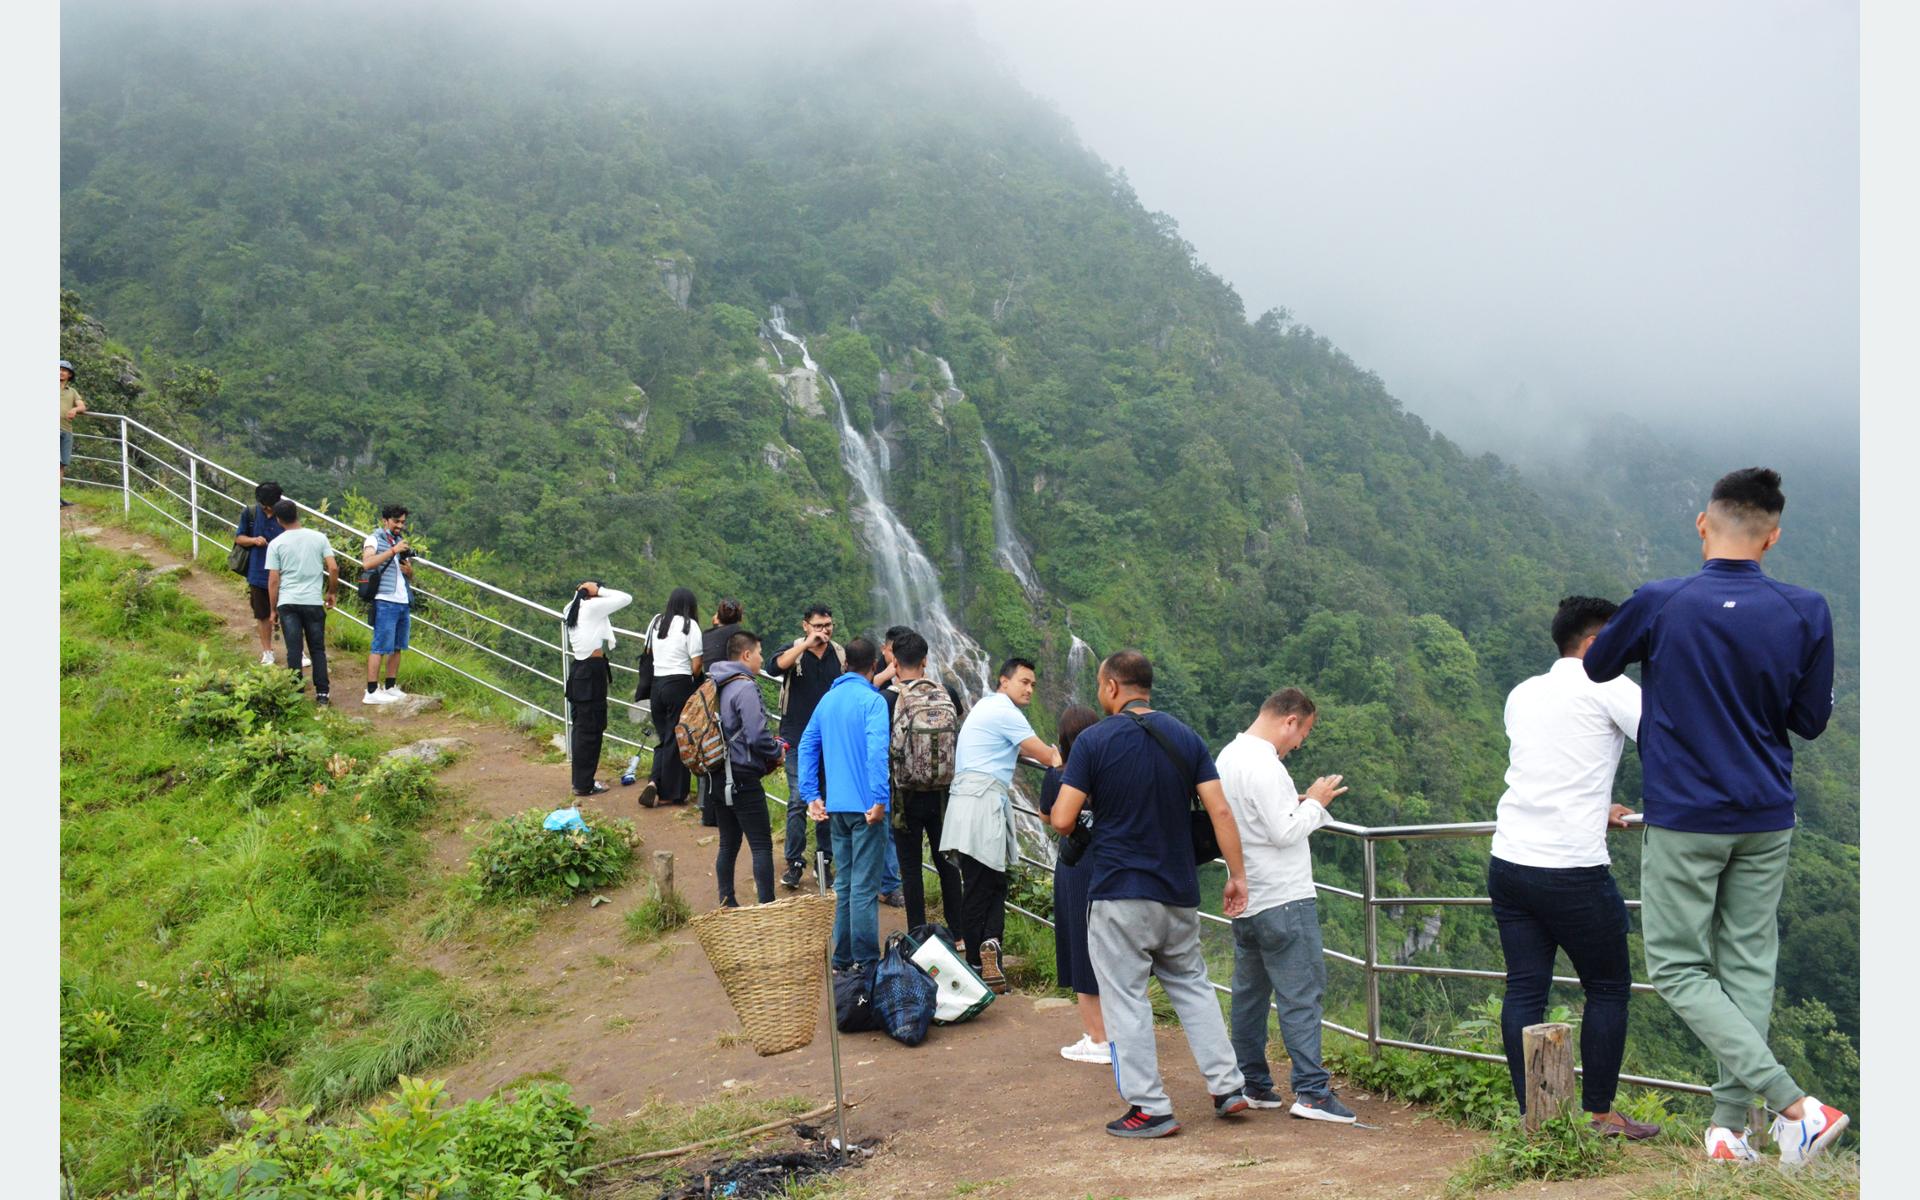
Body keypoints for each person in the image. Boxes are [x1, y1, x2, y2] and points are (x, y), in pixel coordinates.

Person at [1584, 467, 1842, 1165]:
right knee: (1749, 965)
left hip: (1686, 816)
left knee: (1675, 967)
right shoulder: (1805, 609)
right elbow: (1810, 721)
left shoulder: (1662, 602)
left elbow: (1599, 665)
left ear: (1704, 524)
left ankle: (1797, 1107)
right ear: (1773, 537)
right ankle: (1730, 1130)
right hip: (1766, 813)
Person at [1047, 650, 1251, 1139]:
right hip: (1177, 893)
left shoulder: (1094, 741)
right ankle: (1227, 1087)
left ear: (1113, 687)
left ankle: (1150, 1107)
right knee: (1194, 988)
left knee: (1126, 998)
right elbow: (1220, 812)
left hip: (1119, 892)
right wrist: (1236, 876)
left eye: (1101, 686)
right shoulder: (1186, 737)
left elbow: (1061, 818)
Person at [1489, 597, 1657, 1140]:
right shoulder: (1608, 684)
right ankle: (1599, 1114)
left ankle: (1536, 1118)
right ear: (1595, 643)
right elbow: (1667, 740)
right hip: (1571, 869)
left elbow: (1551, 763)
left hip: (1510, 860)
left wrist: (1594, 804)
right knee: (1607, 987)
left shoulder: (1523, 692)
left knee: (1525, 991)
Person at [1218, 688, 1356, 1123]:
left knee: (1249, 995)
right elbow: (1284, 833)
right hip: (1284, 898)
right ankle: (1312, 1092)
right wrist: (1315, 801)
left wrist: (1294, 805)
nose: (1299, 744)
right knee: (1300, 995)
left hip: (1247, 895)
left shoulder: (1228, 757)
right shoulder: (1267, 766)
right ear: (1290, 720)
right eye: (1303, 733)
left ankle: (1254, 1083)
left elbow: (1248, 817)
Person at [940, 657, 1061, 991]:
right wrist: (1063, 760)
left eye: (1033, 684)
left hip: (968, 802)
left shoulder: (985, 707)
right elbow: (1047, 756)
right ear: (1003, 681)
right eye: (1024, 681)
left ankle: (989, 952)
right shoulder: (1006, 712)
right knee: (982, 886)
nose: (1030, 689)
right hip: (982, 804)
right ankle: (979, 961)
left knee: (989, 883)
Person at [796, 636, 891, 973]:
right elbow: (878, 752)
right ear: (875, 667)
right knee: (864, 888)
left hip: (836, 806)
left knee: (846, 883)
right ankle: (866, 963)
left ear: (845, 664)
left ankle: (841, 959)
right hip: (868, 810)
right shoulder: (874, 702)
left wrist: (811, 795)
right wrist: (881, 799)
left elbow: (806, 745)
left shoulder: (828, 701)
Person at [1038, 704, 1105, 1064]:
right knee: (1112, 950)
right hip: (1112, 864)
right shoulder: (1111, 771)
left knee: (1081, 949)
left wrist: (1054, 767)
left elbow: (1049, 816)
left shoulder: (1060, 775)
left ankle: (1098, 1039)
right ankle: (1118, 1034)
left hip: (1077, 866)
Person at [886, 631, 966, 933]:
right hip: (943, 793)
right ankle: (958, 933)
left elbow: (886, 749)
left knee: (910, 868)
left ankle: (918, 935)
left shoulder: (889, 698)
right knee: (947, 863)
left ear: (894, 661)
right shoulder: (946, 692)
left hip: (904, 796)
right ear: (925, 661)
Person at [773, 605, 844, 888]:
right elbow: (774, 666)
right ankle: (794, 862)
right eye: (818, 625)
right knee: (798, 799)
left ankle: (824, 861)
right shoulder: (794, 649)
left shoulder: (838, 654)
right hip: (797, 736)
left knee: (826, 800)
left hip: (830, 738)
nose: (824, 630)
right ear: (805, 626)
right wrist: (805, 645)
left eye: (828, 625)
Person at [712, 631, 784, 906]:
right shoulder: (744, 687)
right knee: (761, 845)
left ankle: (727, 902)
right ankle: (767, 907)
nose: (762, 658)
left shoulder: (718, 682)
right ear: (746, 655)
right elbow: (756, 735)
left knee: (728, 843)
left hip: (718, 772)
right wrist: (776, 751)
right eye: (759, 653)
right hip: (741, 775)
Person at [263, 499, 338, 707]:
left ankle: (295, 692)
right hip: (313, 601)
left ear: (278, 520)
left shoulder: (276, 544)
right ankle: (322, 694)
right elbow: (333, 568)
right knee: (317, 649)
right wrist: (331, 592)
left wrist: (272, 609)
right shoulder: (319, 538)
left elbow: (274, 580)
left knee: (294, 649)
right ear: (297, 514)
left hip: (288, 602)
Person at [636, 587, 704, 808]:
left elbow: (649, 653)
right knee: (677, 739)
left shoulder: (657, 621)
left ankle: (655, 782)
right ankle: (672, 793)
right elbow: (696, 665)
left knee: (665, 737)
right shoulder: (689, 625)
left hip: (657, 685)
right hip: (678, 684)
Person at [563, 580, 632, 797]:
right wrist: (599, 590)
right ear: (591, 596)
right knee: (591, 730)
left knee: (582, 728)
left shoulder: (571, 607)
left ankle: (581, 781)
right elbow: (625, 598)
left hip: (579, 671)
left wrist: (587, 592)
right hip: (591, 673)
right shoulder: (591, 607)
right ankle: (584, 784)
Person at [696, 599, 748, 827]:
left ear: (717, 617)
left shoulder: (707, 635)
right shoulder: (741, 635)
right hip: (731, 697)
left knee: (711, 751)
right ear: (740, 618)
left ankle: (708, 813)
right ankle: (733, 810)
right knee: (732, 752)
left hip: (709, 697)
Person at [359, 505, 415, 705]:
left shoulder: (400, 542)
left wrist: (409, 571)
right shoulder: (374, 538)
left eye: (402, 522)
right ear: (385, 520)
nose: (400, 525)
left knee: (398, 646)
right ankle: (371, 690)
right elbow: (367, 563)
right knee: (380, 646)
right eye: (396, 521)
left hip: (402, 599)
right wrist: (393, 551)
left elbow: (408, 575)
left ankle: (390, 686)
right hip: (385, 599)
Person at [232, 481, 285, 665]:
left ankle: (297, 650)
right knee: (262, 614)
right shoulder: (251, 513)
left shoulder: (284, 512)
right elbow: (239, 538)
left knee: (288, 613)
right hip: (258, 572)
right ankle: (267, 651)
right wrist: (254, 540)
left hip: (284, 573)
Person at [59, 360, 87, 506]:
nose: (61, 372)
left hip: (66, 431)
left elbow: (82, 406)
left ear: (69, 374)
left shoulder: (72, 391)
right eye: (59, 369)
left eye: (64, 370)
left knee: (61, 464)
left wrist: (75, 409)